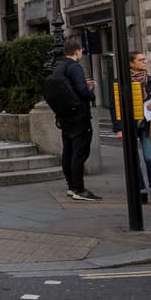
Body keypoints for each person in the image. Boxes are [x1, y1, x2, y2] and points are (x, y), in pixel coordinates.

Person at [47, 37, 100, 201]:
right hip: (79, 115)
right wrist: (90, 92)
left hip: (65, 116)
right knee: (79, 152)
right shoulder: (74, 67)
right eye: (81, 51)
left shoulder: (59, 67)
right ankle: (79, 188)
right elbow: (82, 92)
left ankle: (71, 186)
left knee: (68, 152)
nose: (81, 53)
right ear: (77, 51)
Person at [111, 51, 151, 206]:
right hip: (130, 124)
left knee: (150, 159)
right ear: (131, 64)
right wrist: (118, 128)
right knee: (134, 160)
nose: (144, 62)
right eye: (140, 60)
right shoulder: (121, 82)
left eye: (144, 60)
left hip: (146, 125)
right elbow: (115, 106)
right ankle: (141, 191)